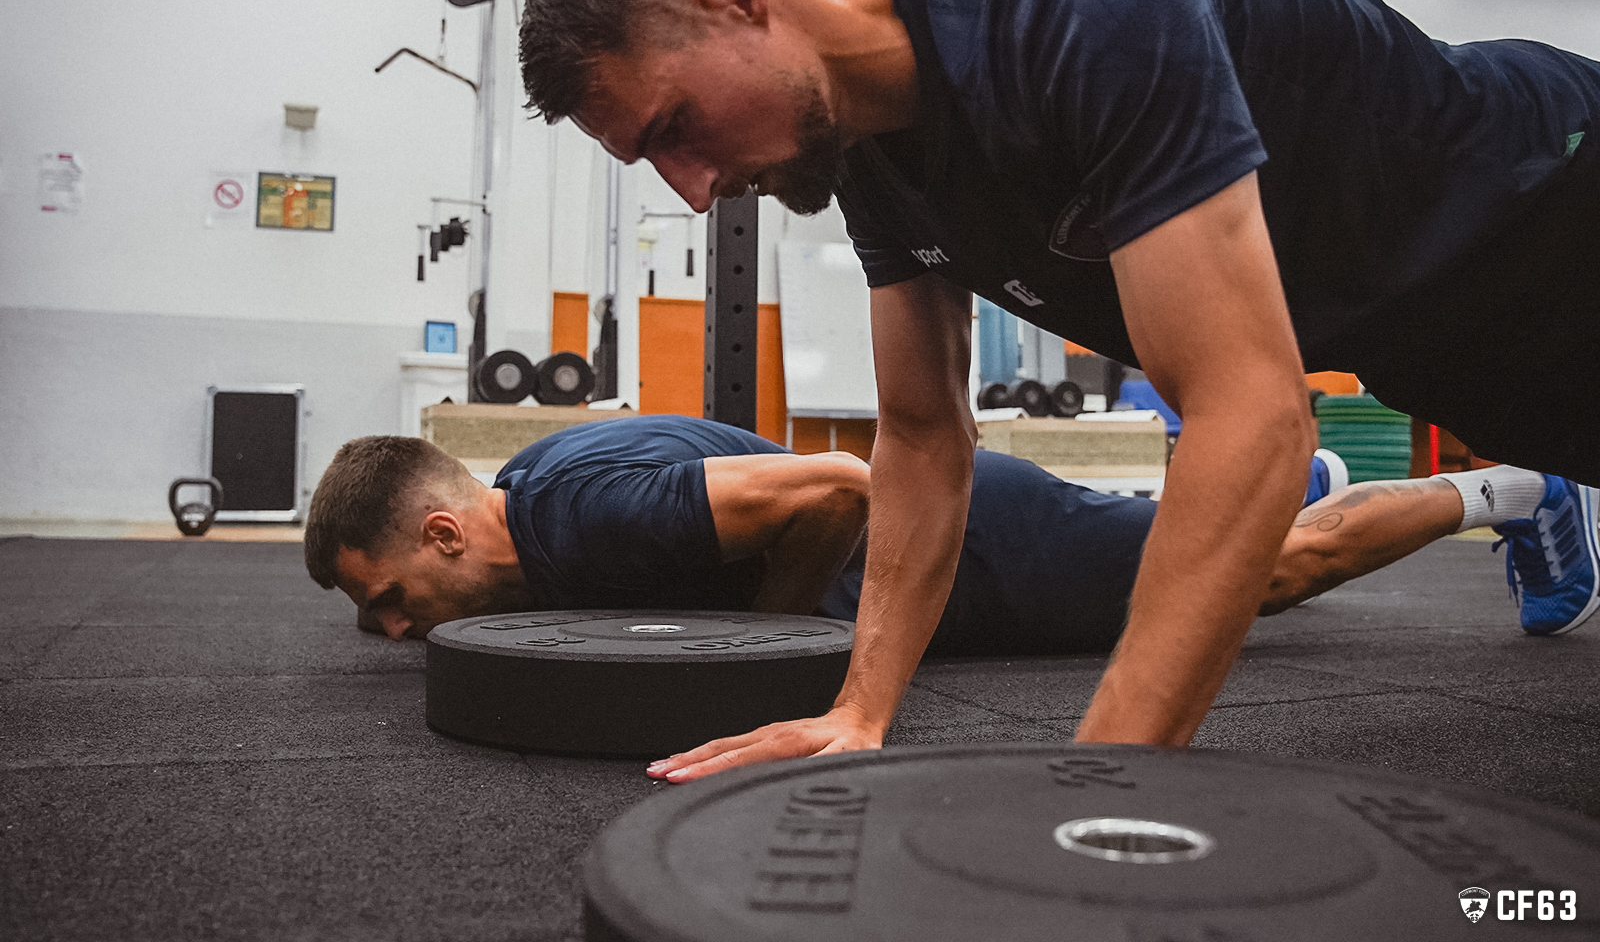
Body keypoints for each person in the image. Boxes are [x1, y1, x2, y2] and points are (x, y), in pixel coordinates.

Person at [514, 0, 1600, 773]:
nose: (692, 190)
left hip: (1552, 208)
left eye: (673, 128)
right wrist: (859, 714)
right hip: (1423, 341)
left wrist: (1093, 794)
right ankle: (1535, 493)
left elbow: (1250, 414)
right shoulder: (870, 158)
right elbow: (925, 434)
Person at [304, 416, 1597, 668]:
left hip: (981, 545)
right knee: (1221, 551)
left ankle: (1526, 492)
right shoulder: (533, 491)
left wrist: (771, 643)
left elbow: (832, 485)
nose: (404, 631)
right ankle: (1287, 478)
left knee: (1271, 577)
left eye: (397, 601)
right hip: (972, 538)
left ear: (438, 525)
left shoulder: (584, 512)